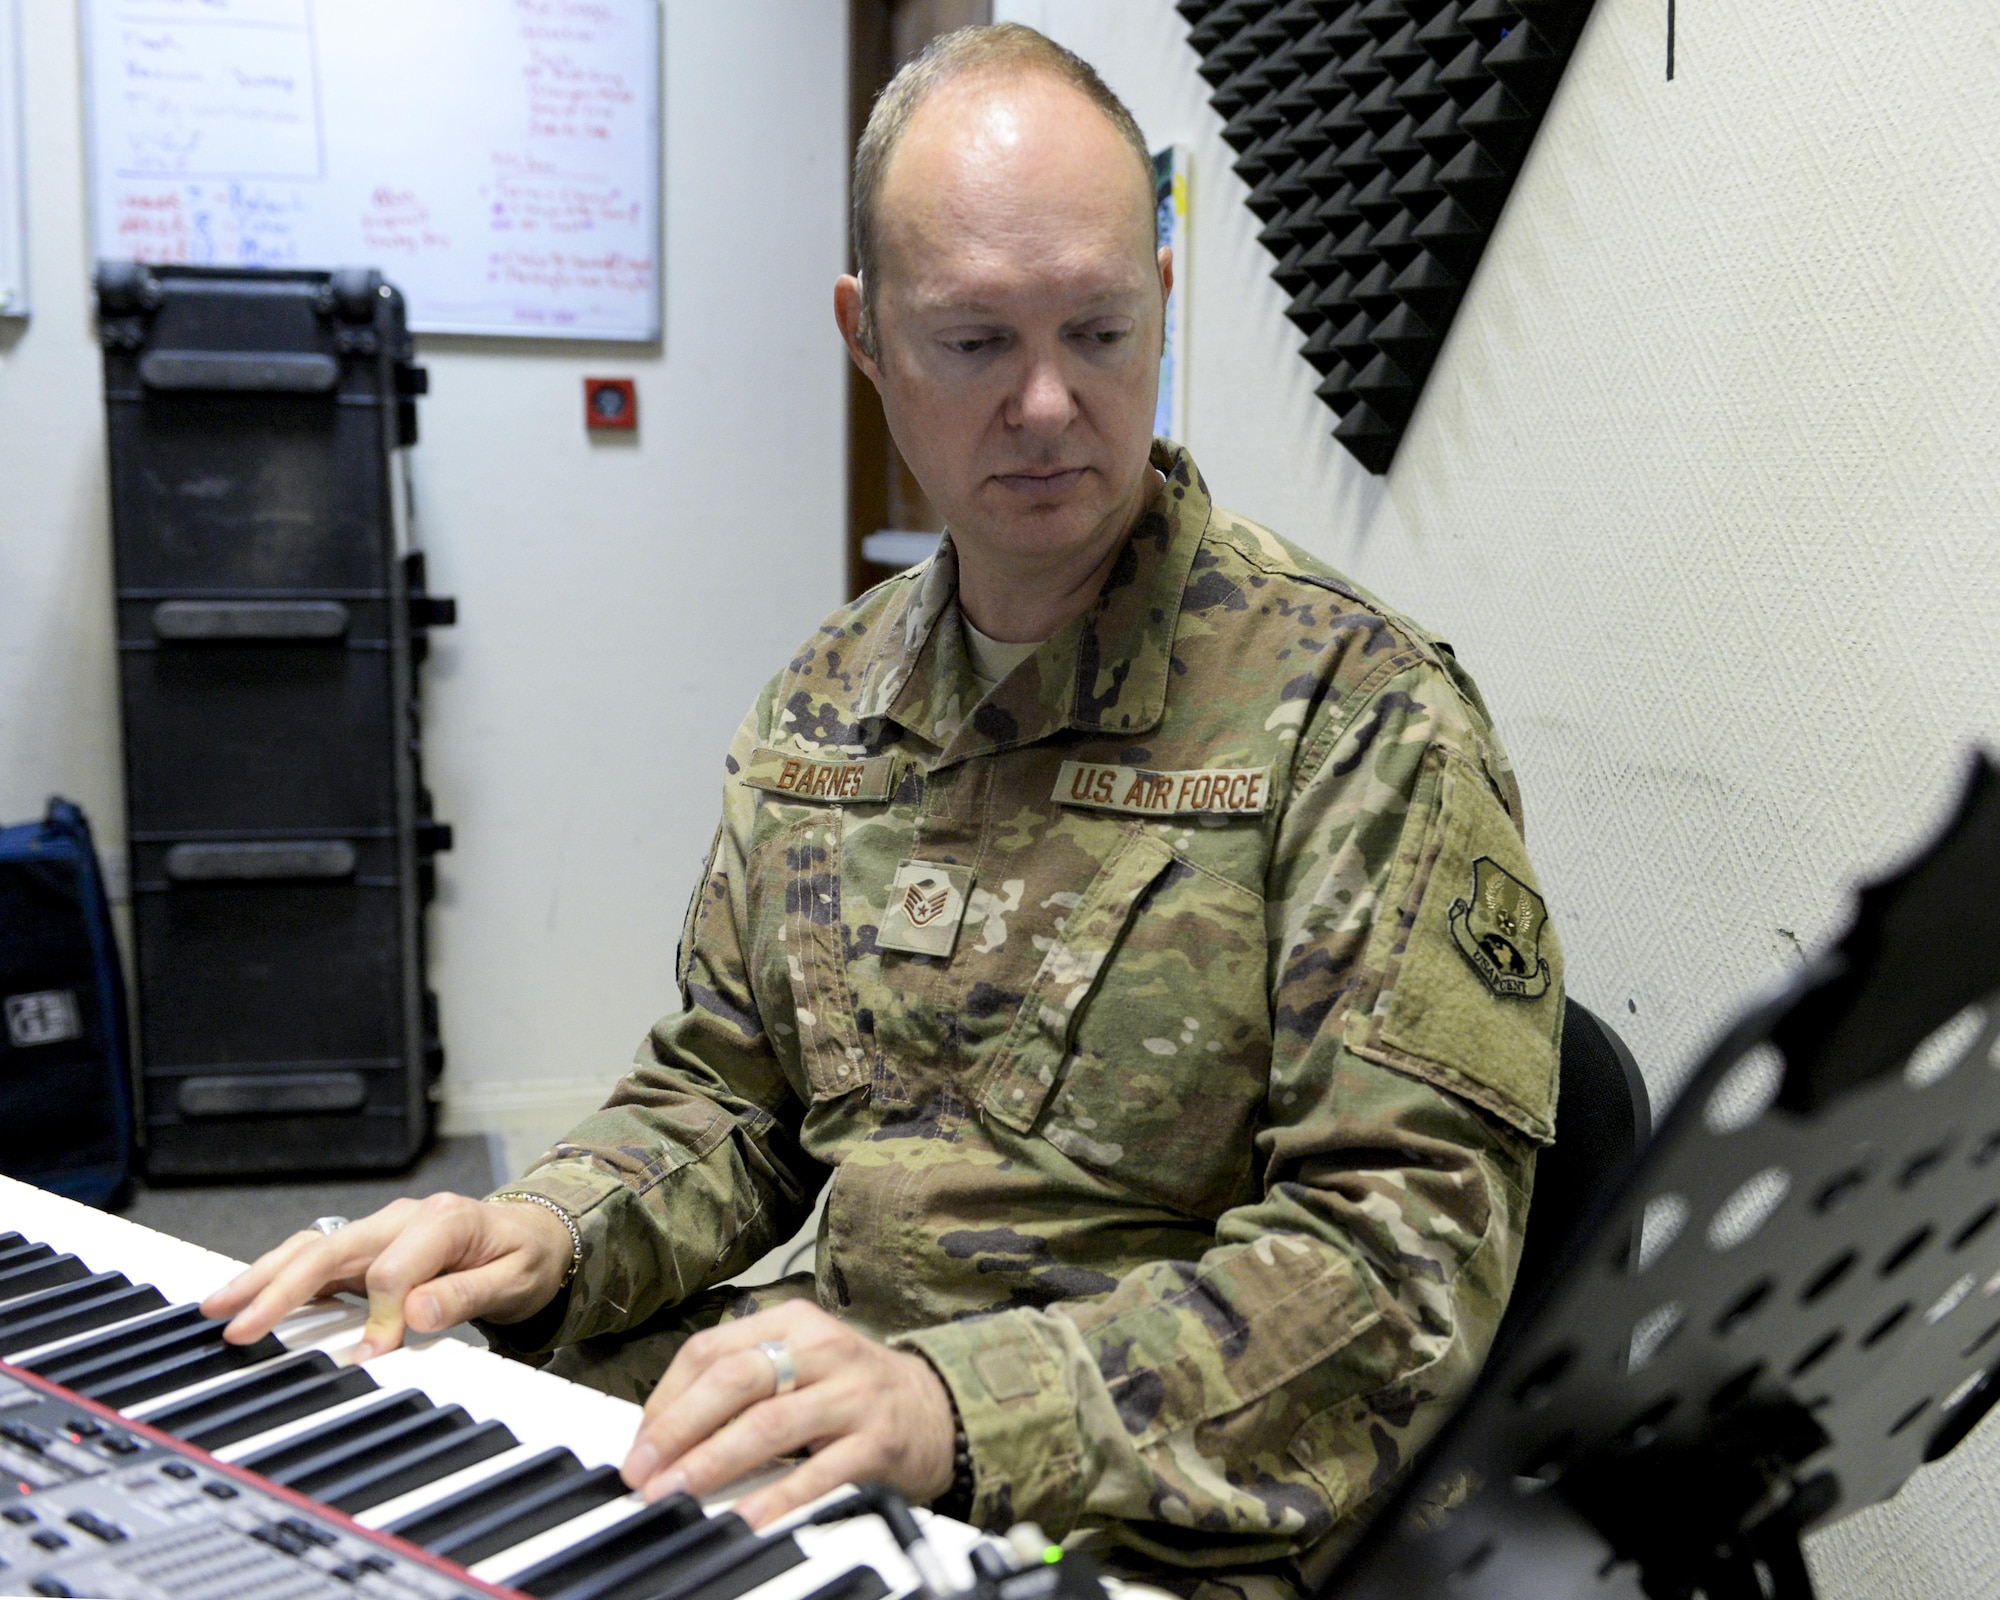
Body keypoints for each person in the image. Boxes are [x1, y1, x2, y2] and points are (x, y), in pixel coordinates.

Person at [204, 25, 1562, 1598]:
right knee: (352, 1495)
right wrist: (549, 1233)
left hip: (1155, 1502)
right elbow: (730, 1095)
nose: (1051, 405)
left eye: (1102, 330)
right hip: (827, 1420)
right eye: (975, 342)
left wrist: (952, 1408)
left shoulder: (1358, 712)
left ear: (1164, 304)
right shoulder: (821, 706)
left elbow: (1402, 1265)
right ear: (867, 339)